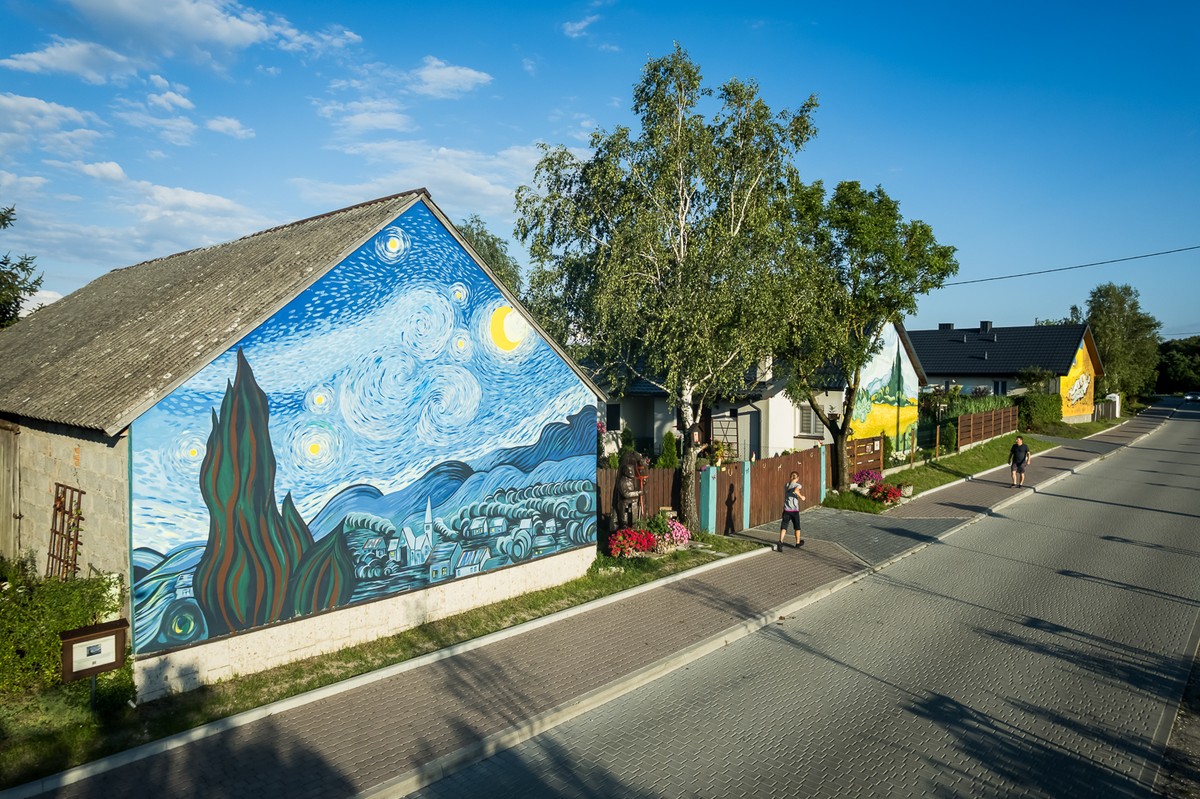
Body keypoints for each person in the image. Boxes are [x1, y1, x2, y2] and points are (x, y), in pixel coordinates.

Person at [778, 471, 805, 551]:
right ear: (797, 478)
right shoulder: (798, 485)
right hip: (794, 511)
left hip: (786, 510)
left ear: (790, 477)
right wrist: (801, 497)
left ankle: (780, 542)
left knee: (784, 526)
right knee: (797, 527)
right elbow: (796, 490)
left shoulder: (786, 485)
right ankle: (797, 542)